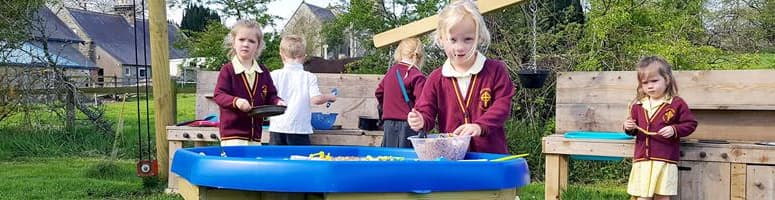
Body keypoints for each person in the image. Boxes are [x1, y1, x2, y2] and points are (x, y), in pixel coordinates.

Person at [406, 0, 515, 154]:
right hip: (453, 157)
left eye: (468, 39)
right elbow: (426, 111)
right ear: (441, 39)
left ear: (479, 37)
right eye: (453, 40)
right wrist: (421, 120)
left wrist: (480, 126)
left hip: (490, 157)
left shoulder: (496, 70)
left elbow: (502, 106)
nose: (460, 47)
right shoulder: (436, 78)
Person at [623, 56, 698, 200]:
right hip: (643, 160)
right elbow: (633, 129)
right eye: (645, 83)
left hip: (665, 160)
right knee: (642, 196)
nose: (650, 86)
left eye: (654, 81)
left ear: (667, 80)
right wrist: (628, 127)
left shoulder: (676, 103)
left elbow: (690, 124)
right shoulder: (638, 105)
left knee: (662, 196)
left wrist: (674, 130)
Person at [213, 20, 284, 146]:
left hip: (255, 136)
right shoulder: (228, 70)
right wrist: (236, 101)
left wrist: (278, 102)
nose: (246, 44)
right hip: (233, 136)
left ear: (258, 46)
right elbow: (219, 95)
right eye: (241, 40)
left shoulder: (263, 71)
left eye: (251, 41)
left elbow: (270, 95)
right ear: (233, 42)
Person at [269, 35, 336, 145]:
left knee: (277, 155)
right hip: (299, 129)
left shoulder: (274, 75)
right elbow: (316, 99)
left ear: (281, 55)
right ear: (304, 57)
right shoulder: (309, 77)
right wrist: (330, 97)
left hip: (277, 128)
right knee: (299, 155)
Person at [375, 37, 427, 148]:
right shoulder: (417, 76)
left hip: (389, 124)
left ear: (399, 53)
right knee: (408, 157)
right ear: (420, 56)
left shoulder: (391, 72)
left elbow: (379, 92)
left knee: (389, 156)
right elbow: (423, 103)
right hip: (409, 126)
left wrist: (388, 108)